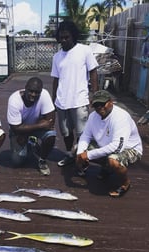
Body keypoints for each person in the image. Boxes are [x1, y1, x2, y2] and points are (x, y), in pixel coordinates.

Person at [76, 90, 143, 197]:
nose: (100, 107)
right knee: (77, 148)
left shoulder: (121, 117)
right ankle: (106, 168)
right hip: (107, 145)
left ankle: (125, 183)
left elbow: (117, 147)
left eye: (103, 104)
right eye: (96, 105)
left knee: (113, 161)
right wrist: (80, 154)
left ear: (111, 102)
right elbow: (86, 136)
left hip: (129, 148)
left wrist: (87, 155)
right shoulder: (93, 116)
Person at [51, 20, 99, 167]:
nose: (64, 40)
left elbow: (93, 72)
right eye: (61, 38)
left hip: (79, 100)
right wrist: (53, 100)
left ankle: (81, 158)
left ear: (73, 36)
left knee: (82, 134)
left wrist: (95, 95)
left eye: (67, 37)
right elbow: (55, 80)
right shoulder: (56, 57)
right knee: (66, 134)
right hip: (61, 102)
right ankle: (70, 154)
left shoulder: (85, 50)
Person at [7, 77, 56, 176]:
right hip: (19, 131)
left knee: (51, 135)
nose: (33, 95)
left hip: (28, 128)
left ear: (41, 91)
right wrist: (39, 125)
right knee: (17, 162)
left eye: (37, 92)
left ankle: (42, 160)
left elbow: (50, 121)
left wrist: (26, 130)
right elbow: (15, 128)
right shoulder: (14, 100)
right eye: (31, 91)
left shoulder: (45, 95)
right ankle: (31, 143)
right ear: (25, 88)